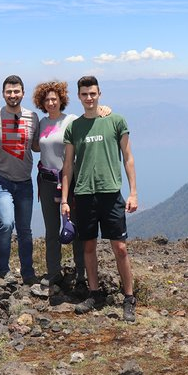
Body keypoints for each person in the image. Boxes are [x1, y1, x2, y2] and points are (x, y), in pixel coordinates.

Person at [61, 75, 139, 322]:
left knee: (120, 247)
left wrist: (133, 192)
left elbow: (128, 157)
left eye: (92, 93)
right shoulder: (74, 127)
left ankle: (129, 297)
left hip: (111, 192)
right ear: (79, 96)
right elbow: (68, 166)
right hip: (84, 194)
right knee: (88, 246)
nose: (89, 98)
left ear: (99, 93)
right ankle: (95, 294)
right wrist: (65, 199)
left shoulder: (115, 121)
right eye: (84, 94)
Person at [0, 75, 40, 285]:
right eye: (9, 91)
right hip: (0, 179)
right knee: (6, 224)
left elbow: (36, 145)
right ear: (3, 93)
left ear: (23, 93)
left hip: (24, 181)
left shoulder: (32, 117)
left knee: (25, 230)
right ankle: (2, 270)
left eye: (16, 91)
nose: (13, 95)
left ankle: (28, 272)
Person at [32, 81, 86, 288]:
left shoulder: (71, 120)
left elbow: (92, 120)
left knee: (75, 227)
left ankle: (81, 271)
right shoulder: (42, 123)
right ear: (42, 103)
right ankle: (53, 271)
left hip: (69, 181)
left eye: (55, 98)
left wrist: (105, 111)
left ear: (61, 100)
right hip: (46, 182)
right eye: (47, 99)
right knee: (51, 229)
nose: (51, 102)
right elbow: (36, 146)